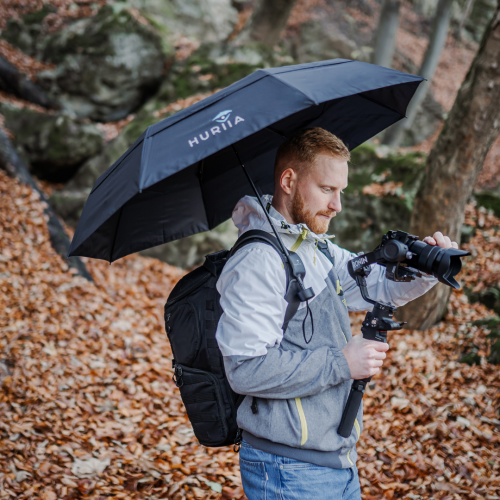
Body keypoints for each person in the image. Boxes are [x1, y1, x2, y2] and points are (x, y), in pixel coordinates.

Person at [215, 127, 458, 500]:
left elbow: (375, 286)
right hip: (287, 471)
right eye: (327, 190)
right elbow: (245, 369)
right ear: (288, 180)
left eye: (340, 191)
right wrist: (341, 363)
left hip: (334, 463)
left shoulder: (314, 248)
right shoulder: (258, 262)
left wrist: (424, 269)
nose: (337, 205)